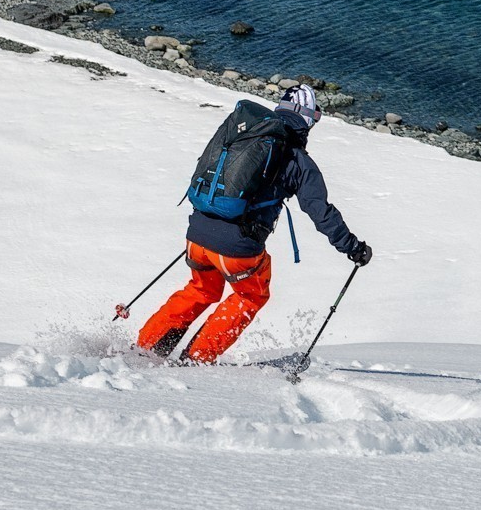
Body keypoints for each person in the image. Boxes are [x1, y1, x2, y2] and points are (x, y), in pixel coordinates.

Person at [137, 84, 370, 364]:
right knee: (251, 296)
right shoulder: (297, 160)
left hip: (197, 235)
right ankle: (197, 359)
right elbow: (319, 211)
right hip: (237, 249)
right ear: (308, 121)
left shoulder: (243, 137)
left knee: (201, 289)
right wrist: (352, 247)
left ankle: (146, 348)